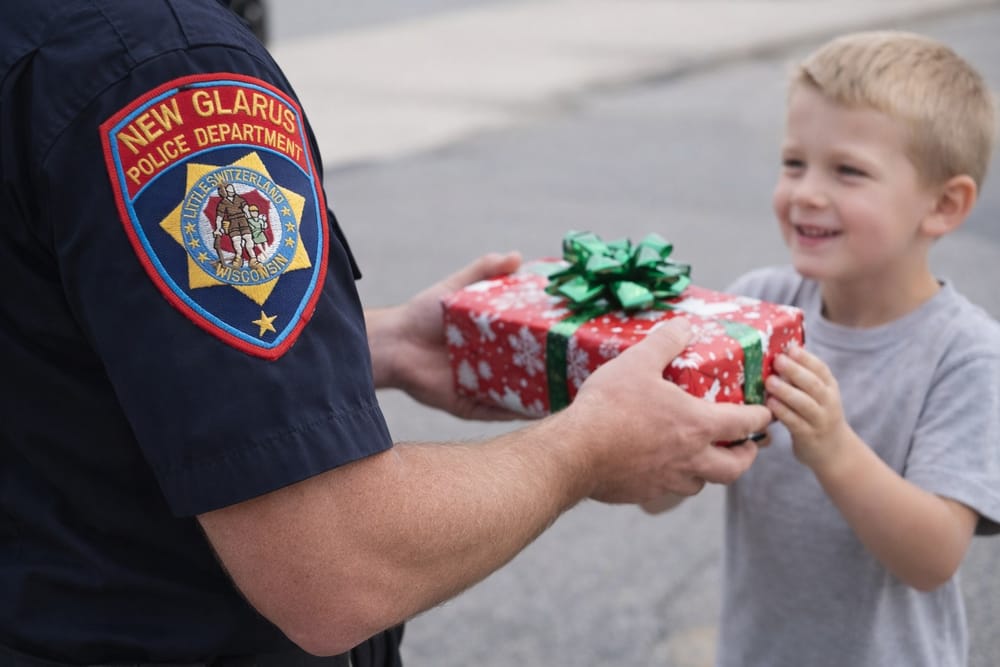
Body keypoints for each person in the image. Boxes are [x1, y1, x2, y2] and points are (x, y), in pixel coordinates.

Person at [0, 1, 771, 664]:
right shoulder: (166, 70)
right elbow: (331, 561)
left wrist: (383, 343)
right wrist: (590, 447)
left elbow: (57, 353)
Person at [643, 31, 1000, 667]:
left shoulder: (964, 355)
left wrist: (833, 448)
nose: (806, 191)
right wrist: (656, 441)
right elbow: (663, 491)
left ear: (944, 205)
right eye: (793, 162)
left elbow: (934, 558)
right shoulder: (761, 306)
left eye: (848, 171)